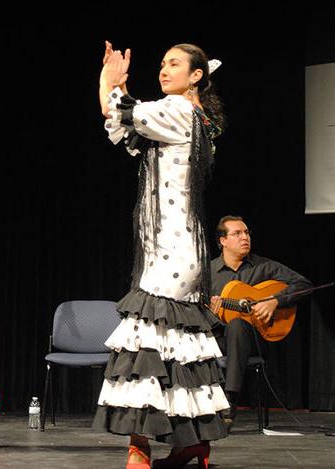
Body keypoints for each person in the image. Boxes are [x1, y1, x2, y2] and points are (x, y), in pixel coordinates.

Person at [93, 41, 228, 469]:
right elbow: (120, 123)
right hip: (176, 245)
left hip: (172, 247)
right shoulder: (191, 117)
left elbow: (121, 109)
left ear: (196, 75)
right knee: (179, 347)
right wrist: (111, 86)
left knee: (145, 342)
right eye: (163, 63)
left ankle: (139, 448)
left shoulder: (179, 111)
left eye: (174, 64)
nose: (164, 69)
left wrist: (109, 81)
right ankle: (192, 445)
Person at [209, 215, 312, 431]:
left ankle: (230, 401)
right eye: (237, 233)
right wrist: (211, 313)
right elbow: (193, 308)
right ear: (223, 241)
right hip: (217, 339)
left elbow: (304, 284)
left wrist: (275, 301)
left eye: (246, 232)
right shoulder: (209, 274)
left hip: (256, 339)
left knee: (238, 325)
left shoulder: (263, 266)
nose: (245, 237)